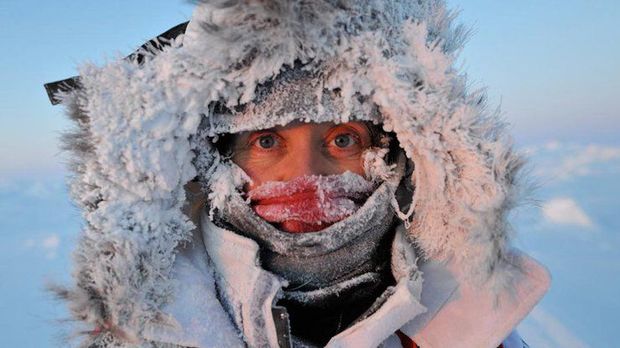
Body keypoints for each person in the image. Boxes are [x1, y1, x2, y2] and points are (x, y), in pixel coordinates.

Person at [44, 1, 550, 347]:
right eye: (267, 142)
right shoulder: (147, 331)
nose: (307, 175)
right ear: (214, 164)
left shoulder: (479, 324)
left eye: (343, 139)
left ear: (399, 154)